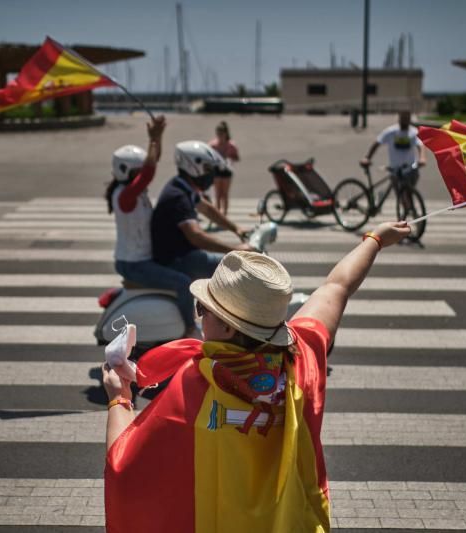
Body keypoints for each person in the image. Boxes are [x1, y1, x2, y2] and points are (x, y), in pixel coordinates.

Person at [102, 220, 411, 532]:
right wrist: (374, 240)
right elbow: (337, 287)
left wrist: (120, 399)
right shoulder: (301, 358)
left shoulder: (194, 384)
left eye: (203, 308)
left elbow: (124, 465)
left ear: (227, 327)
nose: (199, 315)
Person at [104, 116, 199, 339]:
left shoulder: (132, 192)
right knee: (184, 283)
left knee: (183, 270)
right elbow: (149, 171)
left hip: (140, 260)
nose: (142, 178)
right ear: (126, 171)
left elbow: (151, 163)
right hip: (134, 264)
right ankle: (189, 329)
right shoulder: (125, 196)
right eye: (137, 173)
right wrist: (153, 138)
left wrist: (158, 138)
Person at [150, 140, 252, 281]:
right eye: (207, 168)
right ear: (192, 166)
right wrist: (235, 249)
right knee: (236, 269)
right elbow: (197, 236)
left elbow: (207, 209)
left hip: (184, 253)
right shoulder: (178, 196)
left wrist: (236, 228)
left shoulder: (183, 186)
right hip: (175, 259)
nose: (211, 174)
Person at [360, 110, 427, 188]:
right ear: (399, 119)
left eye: (406, 118)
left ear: (409, 120)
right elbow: (377, 142)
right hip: (395, 170)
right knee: (402, 196)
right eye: (403, 118)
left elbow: (420, 145)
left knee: (406, 195)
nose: (405, 121)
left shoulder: (413, 132)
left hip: (410, 170)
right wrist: (367, 157)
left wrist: (422, 157)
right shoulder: (391, 131)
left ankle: (405, 199)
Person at [209, 121, 240, 216]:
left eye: (221, 134)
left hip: (227, 170)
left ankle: (225, 214)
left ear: (226, 134)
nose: (220, 136)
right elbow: (207, 157)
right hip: (217, 170)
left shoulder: (231, 145)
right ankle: (218, 214)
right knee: (218, 194)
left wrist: (229, 157)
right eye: (218, 134)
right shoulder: (213, 144)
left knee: (225, 194)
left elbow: (237, 157)